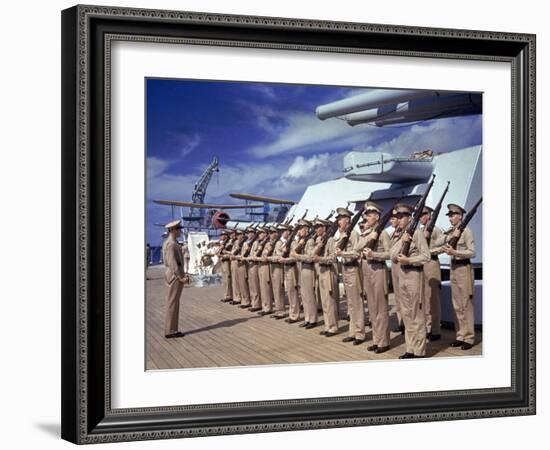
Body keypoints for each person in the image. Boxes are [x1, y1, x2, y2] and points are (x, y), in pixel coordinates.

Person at [389, 204, 430, 359]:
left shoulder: (418, 233)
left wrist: (409, 260)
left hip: (414, 275)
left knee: (416, 315)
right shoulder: (400, 235)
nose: (398, 220)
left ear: (410, 217)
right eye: (397, 217)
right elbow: (392, 255)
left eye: (401, 217)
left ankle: (419, 351)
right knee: (406, 314)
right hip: (402, 277)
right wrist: (402, 241)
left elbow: (426, 256)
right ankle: (410, 348)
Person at [439, 203, 477, 350]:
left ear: (460, 216)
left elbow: (472, 252)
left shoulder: (466, 231)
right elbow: (440, 244)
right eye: (449, 216)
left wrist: (455, 253)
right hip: (453, 269)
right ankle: (460, 335)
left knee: (466, 305)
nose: (450, 218)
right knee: (457, 305)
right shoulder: (451, 232)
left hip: (464, 268)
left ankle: (469, 337)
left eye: (452, 215)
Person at [356, 201, 391, 354]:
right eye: (366, 216)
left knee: (380, 308)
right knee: (371, 307)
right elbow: (357, 247)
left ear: (377, 217)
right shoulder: (368, 233)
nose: (367, 218)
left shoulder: (383, 234)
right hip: (367, 271)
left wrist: (374, 254)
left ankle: (383, 342)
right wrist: (370, 236)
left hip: (378, 270)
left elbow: (390, 254)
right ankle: (377, 340)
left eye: (369, 216)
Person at [334, 207, 365, 345]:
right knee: (350, 304)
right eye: (338, 219)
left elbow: (357, 253)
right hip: (345, 269)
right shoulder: (343, 234)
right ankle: (352, 332)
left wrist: (344, 254)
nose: (338, 222)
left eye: (341, 219)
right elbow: (336, 249)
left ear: (347, 220)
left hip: (353, 268)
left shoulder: (353, 234)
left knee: (357, 304)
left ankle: (359, 334)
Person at [419, 206, 445, 341]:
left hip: (432, 264)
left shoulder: (436, 229)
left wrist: (430, 251)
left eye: (424, 214)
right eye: (419, 214)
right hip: (422, 265)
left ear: (429, 215)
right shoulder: (421, 230)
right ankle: (428, 328)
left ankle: (435, 329)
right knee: (425, 299)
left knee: (433, 299)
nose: (421, 217)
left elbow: (443, 247)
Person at [161, 220, 188, 339]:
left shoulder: (171, 242)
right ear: (173, 230)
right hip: (174, 276)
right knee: (172, 302)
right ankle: (170, 330)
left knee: (174, 302)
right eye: (178, 229)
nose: (180, 231)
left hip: (173, 275)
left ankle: (173, 329)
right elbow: (173, 263)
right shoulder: (171, 244)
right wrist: (181, 277)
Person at [313, 219, 340, 337]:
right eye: (316, 227)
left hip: (329, 271)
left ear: (324, 228)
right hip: (322, 271)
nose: (316, 229)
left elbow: (333, 257)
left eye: (319, 226)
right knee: (324, 301)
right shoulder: (319, 240)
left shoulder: (330, 240)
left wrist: (320, 259)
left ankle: (333, 327)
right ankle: (327, 325)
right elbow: (313, 255)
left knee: (330, 301)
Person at [291, 219, 318, 328]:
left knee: (309, 296)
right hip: (302, 269)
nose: (298, 231)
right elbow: (293, 252)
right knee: (304, 295)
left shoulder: (310, 241)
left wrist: (298, 257)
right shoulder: (302, 241)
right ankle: (307, 318)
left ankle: (312, 319)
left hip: (308, 269)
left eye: (300, 229)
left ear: (306, 229)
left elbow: (310, 257)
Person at [280, 225, 301, 324]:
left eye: (285, 230)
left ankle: (294, 315)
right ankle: (291, 313)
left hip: (292, 268)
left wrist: (285, 259)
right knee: (289, 292)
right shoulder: (286, 243)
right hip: (287, 268)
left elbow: (295, 257)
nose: (283, 232)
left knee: (293, 292)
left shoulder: (293, 243)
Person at [388, 209, 404, 334]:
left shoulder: (405, 232)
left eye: (393, 218)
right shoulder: (394, 233)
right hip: (394, 266)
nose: (391, 221)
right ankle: (401, 322)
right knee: (398, 297)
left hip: (402, 266)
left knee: (404, 297)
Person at [246, 228, 263, 312]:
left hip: (254, 265)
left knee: (255, 285)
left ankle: (256, 304)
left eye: (250, 233)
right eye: (248, 233)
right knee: (252, 285)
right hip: (251, 264)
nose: (249, 234)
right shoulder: (251, 243)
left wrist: (249, 257)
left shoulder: (256, 243)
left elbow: (255, 255)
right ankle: (254, 303)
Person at [235, 228, 253, 308]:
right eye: (237, 235)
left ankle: (246, 301)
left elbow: (244, 255)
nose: (238, 236)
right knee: (240, 284)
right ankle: (244, 300)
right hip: (239, 264)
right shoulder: (239, 243)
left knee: (244, 284)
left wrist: (237, 257)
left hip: (243, 265)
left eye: (239, 235)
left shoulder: (245, 244)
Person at [218, 230, 234, 303]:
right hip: (223, 262)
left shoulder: (229, 244)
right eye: (221, 235)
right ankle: (226, 294)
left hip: (227, 262)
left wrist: (224, 254)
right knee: (224, 280)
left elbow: (231, 253)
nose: (221, 236)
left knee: (228, 279)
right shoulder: (223, 243)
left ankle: (229, 295)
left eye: (223, 235)